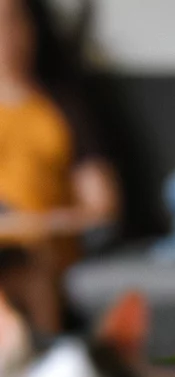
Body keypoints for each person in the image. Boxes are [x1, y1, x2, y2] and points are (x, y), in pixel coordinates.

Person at [0, 0, 119, 333]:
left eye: (12, 23)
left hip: (42, 248)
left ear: (32, 29)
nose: (4, 37)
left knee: (32, 266)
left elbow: (102, 205)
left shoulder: (62, 109)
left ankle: (38, 366)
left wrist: (43, 223)